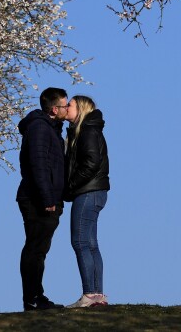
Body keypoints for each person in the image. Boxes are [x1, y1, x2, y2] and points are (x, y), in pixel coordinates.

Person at [16, 87, 71, 311]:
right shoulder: (40, 128)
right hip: (37, 199)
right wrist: (48, 198)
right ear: (53, 109)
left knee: (38, 250)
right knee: (35, 249)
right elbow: (38, 165)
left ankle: (35, 296)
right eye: (65, 105)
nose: (68, 109)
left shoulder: (50, 128)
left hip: (44, 198)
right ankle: (33, 298)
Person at [63, 94, 110, 309]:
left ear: (80, 109)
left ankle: (90, 294)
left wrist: (71, 184)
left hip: (88, 192)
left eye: (69, 105)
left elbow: (91, 162)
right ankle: (97, 295)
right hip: (95, 192)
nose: (66, 108)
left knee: (80, 242)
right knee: (90, 244)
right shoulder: (88, 130)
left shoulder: (88, 132)